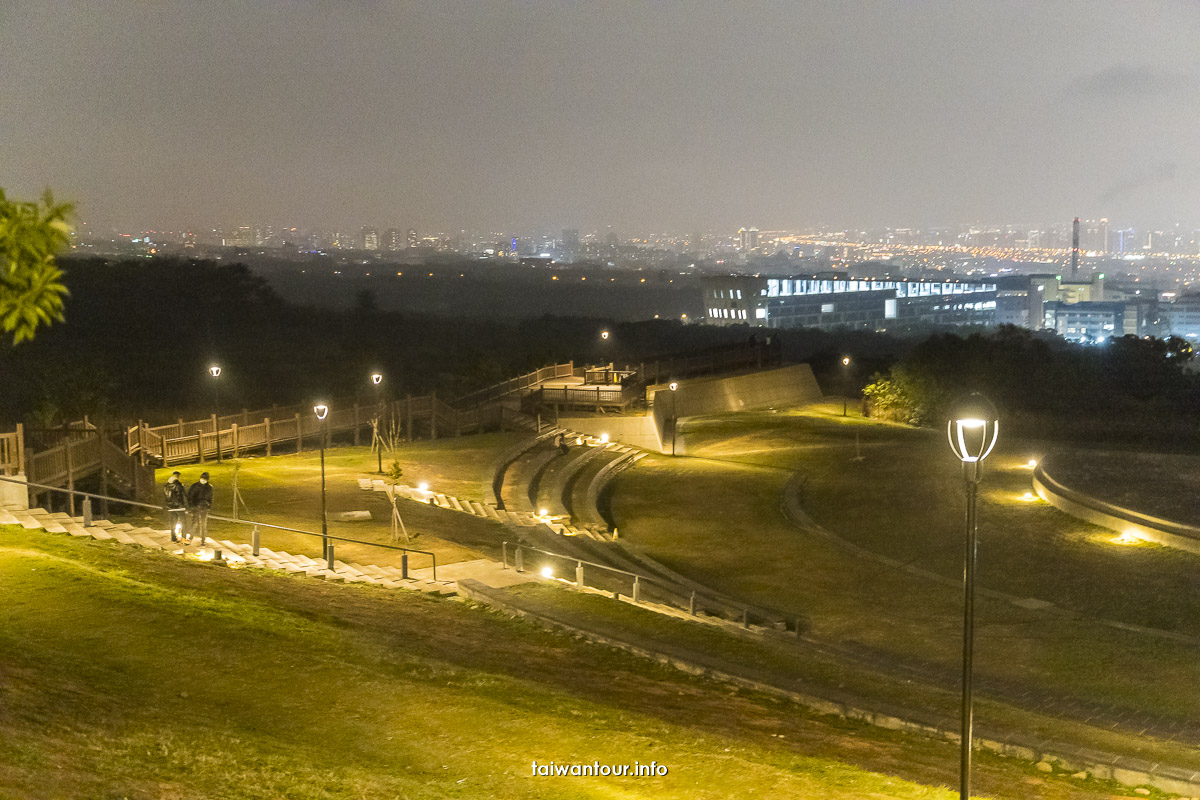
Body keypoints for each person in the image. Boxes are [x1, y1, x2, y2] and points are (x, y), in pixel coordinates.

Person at [187, 471, 214, 546]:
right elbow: (190, 497)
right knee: (194, 523)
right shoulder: (195, 486)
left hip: (204, 508)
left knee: (203, 524)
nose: (203, 480)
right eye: (202, 479)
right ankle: (190, 538)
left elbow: (211, 497)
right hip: (196, 508)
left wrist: (209, 506)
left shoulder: (209, 487)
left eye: (205, 479)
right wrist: (192, 506)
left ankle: (203, 540)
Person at [164, 471, 187, 542]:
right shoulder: (178, 485)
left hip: (171, 507)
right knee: (184, 522)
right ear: (178, 477)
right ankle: (183, 537)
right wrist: (186, 505)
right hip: (180, 507)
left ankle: (173, 537)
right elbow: (183, 495)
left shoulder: (166, 486)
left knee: (173, 522)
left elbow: (166, 496)